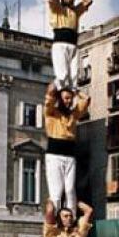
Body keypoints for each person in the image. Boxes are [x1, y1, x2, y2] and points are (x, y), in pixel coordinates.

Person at [44, 83, 91, 211]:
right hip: (55, 155)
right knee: (57, 192)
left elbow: (86, 99)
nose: (69, 101)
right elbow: (50, 92)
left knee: (70, 190)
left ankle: (71, 219)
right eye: (66, 98)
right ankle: (57, 218)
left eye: (70, 99)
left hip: (70, 155)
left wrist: (75, 91)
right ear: (59, 98)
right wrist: (59, 82)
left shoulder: (73, 114)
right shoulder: (51, 112)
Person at [47, 0, 93, 93]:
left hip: (73, 44)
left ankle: (71, 98)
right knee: (62, 76)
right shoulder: (57, 8)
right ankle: (59, 95)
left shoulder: (75, 11)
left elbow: (89, 0)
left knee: (74, 77)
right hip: (60, 44)